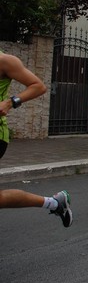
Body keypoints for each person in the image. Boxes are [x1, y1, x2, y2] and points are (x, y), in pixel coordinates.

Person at [0, 52, 72, 227]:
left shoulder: (5, 61)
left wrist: (10, 102)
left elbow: (38, 86)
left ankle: (54, 203)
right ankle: (55, 203)